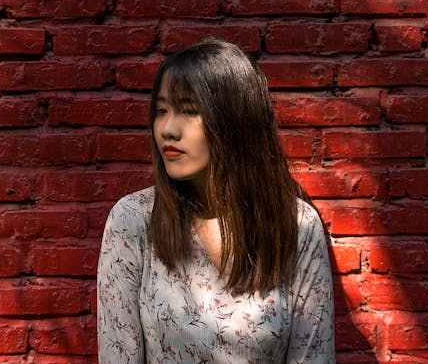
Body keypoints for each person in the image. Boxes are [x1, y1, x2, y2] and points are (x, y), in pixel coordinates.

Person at [97, 38, 334, 363]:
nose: (168, 129)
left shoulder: (296, 227)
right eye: (162, 110)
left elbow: (314, 356)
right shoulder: (134, 221)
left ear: (235, 121)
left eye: (189, 111)